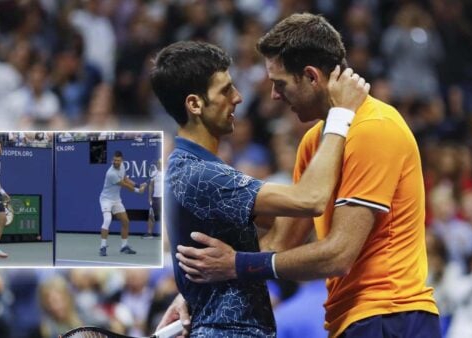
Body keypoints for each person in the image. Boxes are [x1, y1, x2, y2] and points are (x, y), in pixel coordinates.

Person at [172, 13, 441, 338]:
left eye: (280, 83)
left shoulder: (374, 128)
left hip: (393, 315)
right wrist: (203, 292)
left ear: (312, 77)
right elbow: (280, 241)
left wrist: (235, 265)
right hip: (355, 318)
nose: (273, 95)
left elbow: (338, 255)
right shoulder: (316, 142)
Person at [150, 40, 368, 336]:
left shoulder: (193, 168)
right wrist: (341, 114)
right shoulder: (200, 174)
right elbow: (312, 199)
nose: (238, 98)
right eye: (226, 90)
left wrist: (192, 291)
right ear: (195, 104)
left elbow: (279, 236)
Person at [99, 150, 147, 256]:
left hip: (116, 199)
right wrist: (138, 191)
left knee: (125, 221)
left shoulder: (122, 166)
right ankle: (102, 247)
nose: (116, 162)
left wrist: (138, 185)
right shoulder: (111, 173)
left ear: (122, 160)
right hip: (106, 200)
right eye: (114, 160)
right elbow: (125, 185)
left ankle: (124, 246)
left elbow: (126, 179)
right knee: (107, 219)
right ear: (112, 160)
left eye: (118, 160)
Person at [143, 159, 162, 239]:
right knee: (151, 215)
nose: (158, 164)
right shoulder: (154, 173)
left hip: (165, 198)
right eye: (157, 163)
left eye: (159, 163)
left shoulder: (168, 172)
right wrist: (149, 197)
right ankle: (149, 233)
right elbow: (151, 186)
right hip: (156, 198)